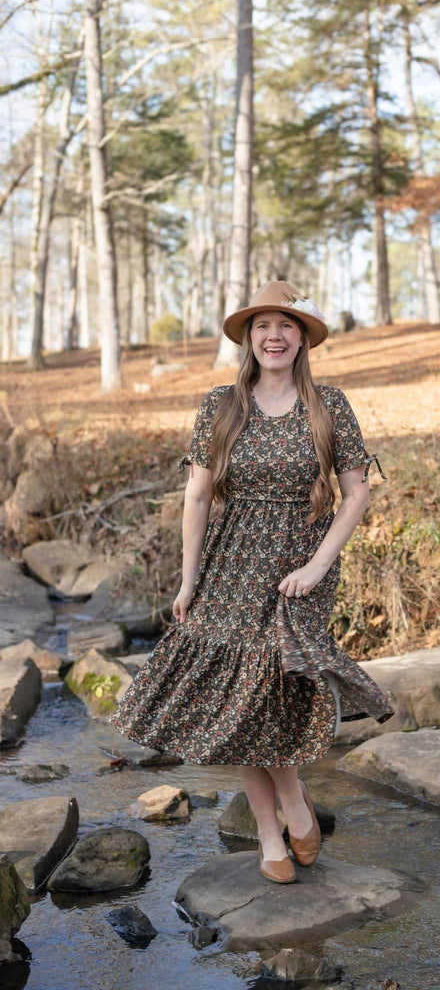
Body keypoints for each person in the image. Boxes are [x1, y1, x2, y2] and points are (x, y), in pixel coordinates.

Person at [110, 280, 393, 885]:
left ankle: (291, 807)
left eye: (286, 325)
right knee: (241, 700)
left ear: (302, 337)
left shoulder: (330, 404)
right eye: (263, 325)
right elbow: (197, 496)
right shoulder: (221, 404)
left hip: (298, 567)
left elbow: (357, 490)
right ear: (248, 337)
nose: (274, 335)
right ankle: (275, 826)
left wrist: (318, 565)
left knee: (272, 691)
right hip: (228, 567)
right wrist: (188, 581)